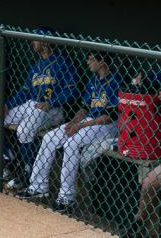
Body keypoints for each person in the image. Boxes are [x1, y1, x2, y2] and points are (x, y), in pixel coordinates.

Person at [18, 53, 121, 213]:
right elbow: (84, 108)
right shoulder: (93, 80)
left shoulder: (116, 82)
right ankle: (38, 186)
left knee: (71, 143)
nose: (88, 62)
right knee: (49, 138)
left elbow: (110, 117)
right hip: (89, 121)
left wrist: (80, 126)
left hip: (107, 124)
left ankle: (66, 197)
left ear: (101, 62)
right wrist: (74, 122)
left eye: (92, 59)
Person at [0, 27, 77, 191]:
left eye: (36, 39)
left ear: (45, 42)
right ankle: (8, 159)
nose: (33, 43)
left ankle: (27, 172)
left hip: (52, 109)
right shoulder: (37, 65)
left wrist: (52, 102)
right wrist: (8, 106)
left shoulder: (62, 63)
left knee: (24, 130)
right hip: (32, 105)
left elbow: (70, 90)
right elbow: (24, 91)